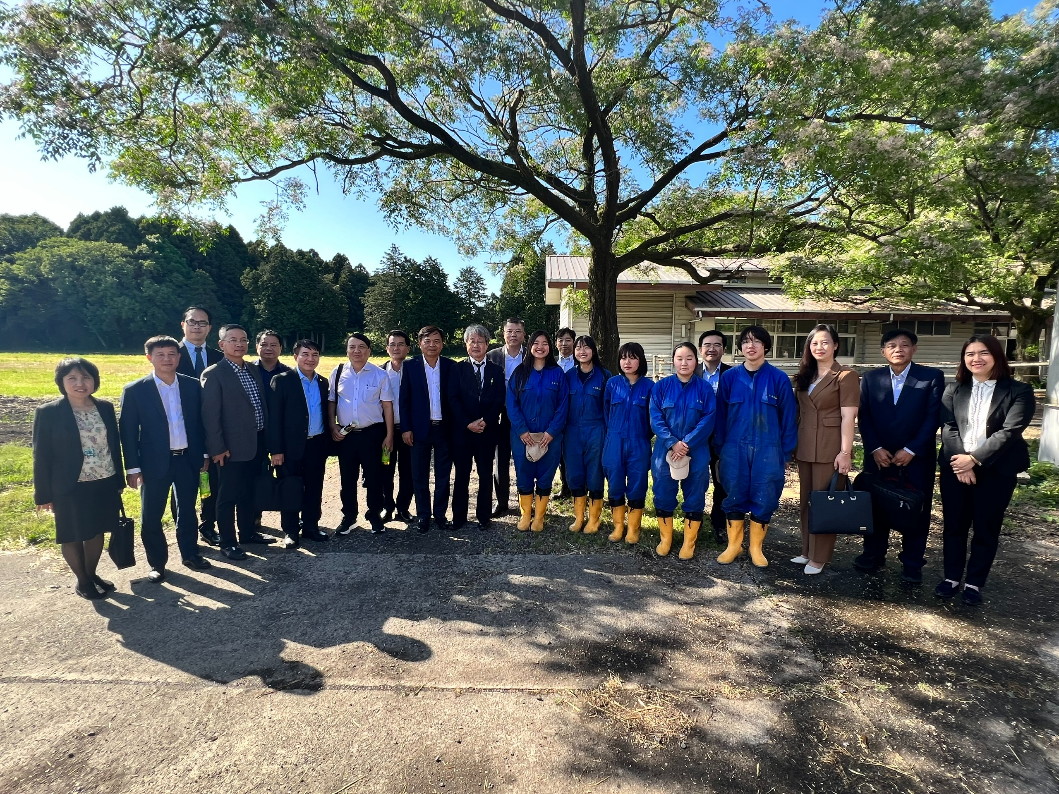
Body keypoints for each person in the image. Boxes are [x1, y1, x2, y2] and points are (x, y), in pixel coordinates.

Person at [936, 335, 1035, 605]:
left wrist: (975, 459)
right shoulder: (954, 389)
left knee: (986, 528)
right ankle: (951, 578)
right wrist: (961, 463)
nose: (976, 359)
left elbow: (1010, 431)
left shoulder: (1018, 390)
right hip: (955, 468)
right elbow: (949, 427)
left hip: (996, 470)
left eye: (983, 353)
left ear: (996, 356)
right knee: (954, 526)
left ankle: (974, 583)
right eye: (970, 354)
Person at [119, 336, 211, 582]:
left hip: (187, 459)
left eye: (172, 354)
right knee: (151, 515)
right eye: (160, 355)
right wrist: (132, 467)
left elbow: (200, 424)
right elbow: (128, 432)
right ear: (149, 357)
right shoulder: (135, 390)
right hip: (152, 463)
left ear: (179, 357)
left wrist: (203, 454)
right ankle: (157, 563)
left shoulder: (193, 386)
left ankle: (190, 554)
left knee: (187, 511)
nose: (167, 359)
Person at [856, 328, 944, 583]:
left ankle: (912, 562)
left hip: (916, 458)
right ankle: (873, 553)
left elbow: (933, 417)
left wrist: (912, 449)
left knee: (916, 508)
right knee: (876, 504)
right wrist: (874, 448)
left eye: (904, 345)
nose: (898, 350)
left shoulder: (930, 377)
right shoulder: (871, 378)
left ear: (914, 349)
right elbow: (865, 416)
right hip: (879, 456)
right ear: (883, 351)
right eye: (892, 346)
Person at [33, 358, 125, 599]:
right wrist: (43, 494)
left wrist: (119, 480)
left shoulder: (104, 407)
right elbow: (41, 455)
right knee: (72, 533)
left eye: (86, 377)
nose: (80, 383)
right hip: (69, 485)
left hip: (104, 479)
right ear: (61, 382)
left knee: (97, 531)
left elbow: (114, 446)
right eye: (72, 378)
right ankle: (82, 581)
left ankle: (91, 574)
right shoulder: (49, 412)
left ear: (94, 381)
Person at [715, 326, 798, 568]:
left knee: (765, 495)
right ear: (740, 347)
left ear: (766, 346)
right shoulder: (729, 378)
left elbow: (789, 418)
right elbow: (720, 416)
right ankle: (734, 545)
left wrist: (785, 452)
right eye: (746, 342)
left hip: (769, 449)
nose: (750, 346)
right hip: (734, 447)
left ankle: (756, 548)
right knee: (734, 494)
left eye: (756, 341)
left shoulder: (779, 379)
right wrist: (721, 448)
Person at [201, 323, 275, 560]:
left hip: (257, 442)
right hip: (229, 449)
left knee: (248, 492)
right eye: (233, 340)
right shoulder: (214, 373)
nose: (239, 344)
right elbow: (210, 416)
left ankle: (248, 533)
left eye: (243, 340)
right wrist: (217, 448)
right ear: (221, 344)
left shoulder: (252, 369)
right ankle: (228, 542)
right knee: (227, 496)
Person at [792, 324, 860, 575]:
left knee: (825, 502)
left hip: (830, 448)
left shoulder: (845, 376)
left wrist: (845, 452)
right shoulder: (805, 375)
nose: (819, 347)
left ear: (835, 345)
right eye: (814, 343)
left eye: (825, 342)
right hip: (805, 446)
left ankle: (819, 557)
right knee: (806, 502)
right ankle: (807, 550)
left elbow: (848, 417)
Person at [649, 342, 716, 558]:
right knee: (663, 492)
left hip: (696, 450)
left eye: (689, 358)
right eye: (679, 358)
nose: (684, 363)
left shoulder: (704, 389)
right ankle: (666, 539)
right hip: (665, 450)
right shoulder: (661, 387)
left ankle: (689, 543)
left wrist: (686, 443)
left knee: (695, 494)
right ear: (673, 361)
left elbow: (708, 419)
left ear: (696, 361)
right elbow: (656, 418)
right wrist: (672, 442)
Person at [267, 339, 332, 549]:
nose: (310, 359)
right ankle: (291, 530)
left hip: (317, 444)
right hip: (289, 448)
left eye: (314, 355)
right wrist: (276, 450)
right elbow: (274, 418)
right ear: (295, 357)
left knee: (314, 487)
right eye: (305, 354)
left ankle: (311, 526)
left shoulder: (322, 382)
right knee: (290, 488)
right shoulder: (282, 380)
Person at [329, 333, 395, 535]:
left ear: (369, 351)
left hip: (372, 434)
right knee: (347, 479)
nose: (356, 351)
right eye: (352, 347)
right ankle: (349, 516)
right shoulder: (338, 372)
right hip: (346, 435)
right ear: (347, 350)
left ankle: (374, 515)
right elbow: (332, 401)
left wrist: (389, 435)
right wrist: (332, 426)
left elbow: (387, 406)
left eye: (361, 347)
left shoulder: (379, 374)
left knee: (374, 478)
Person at [508, 330, 569, 532]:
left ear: (550, 348)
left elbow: (563, 405)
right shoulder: (519, 373)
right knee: (524, 474)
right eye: (536, 343)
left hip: (549, 437)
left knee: (545, 475)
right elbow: (511, 404)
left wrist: (551, 432)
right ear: (530, 346)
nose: (540, 347)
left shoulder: (558, 374)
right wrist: (522, 430)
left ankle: (539, 517)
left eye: (544, 343)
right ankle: (526, 515)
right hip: (522, 437)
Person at [448, 324, 506, 530]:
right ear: (466, 344)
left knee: (485, 475)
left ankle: (484, 516)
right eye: (472, 341)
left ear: (487, 345)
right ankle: (459, 517)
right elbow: (453, 399)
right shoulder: (457, 369)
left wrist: (485, 421)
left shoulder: (497, 370)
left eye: (480, 341)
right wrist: (468, 423)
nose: (476, 345)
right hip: (463, 433)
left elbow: (499, 399)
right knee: (461, 476)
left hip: (486, 432)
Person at [400, 325, 455, 533]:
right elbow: (404, 400)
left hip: (444, 429)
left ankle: (440, 514)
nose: (432, 345)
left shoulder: (450, 366)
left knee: (443, 475)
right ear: (420, 343)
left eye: (437, 341)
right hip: (418, 430)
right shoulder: (410, 365)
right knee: (419, 475)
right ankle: (423, 515)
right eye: (428, 341)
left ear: (442, 344)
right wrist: (406, 428)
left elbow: (454, 399)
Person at [176, 305, 223, 547]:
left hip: (211, 431)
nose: (197, 326)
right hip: (180, 431)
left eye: (202, 323)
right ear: (183, 325)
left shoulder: (219, 357)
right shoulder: (171, 354)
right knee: (182, 486)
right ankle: (183, 532)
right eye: (192, 322)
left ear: (210, 328)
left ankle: (208, 526)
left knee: (211, 481)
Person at [603, 343, 654, 545]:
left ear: (640, 360)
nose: (627, 362)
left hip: (639, 442)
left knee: (637, 485)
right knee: (615, 484)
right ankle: (618, 526)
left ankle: (633, 528)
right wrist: (613, 433)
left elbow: (653, 418)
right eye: (623, 358)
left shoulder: (650, 387)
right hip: (614, 441)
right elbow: (606, 412)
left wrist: (641, 435)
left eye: (632, 357)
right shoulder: (612, 384)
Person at [565, 335, 611, 534]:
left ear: (593, 350)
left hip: (596, 430)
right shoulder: (568, 376)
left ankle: (593, 519)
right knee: (574, 473)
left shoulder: (604, 376)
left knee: (595, 473)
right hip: (572, 430)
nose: (582, 351)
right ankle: (579, 518)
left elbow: (609, 407)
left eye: (586, 348)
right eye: (578, 348)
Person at [487, 318, 525, 516]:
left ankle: (525, 501)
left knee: (524, 460)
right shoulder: (492, 356)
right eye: (509, 331)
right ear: (503, 334)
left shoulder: (530, 356)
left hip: (524, 415)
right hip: (500, 414)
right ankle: (502, 502)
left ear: (523, 335)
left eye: (517, 331)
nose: (513, 335)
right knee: (500, 460)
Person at [699, 329, 731, 543]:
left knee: (722, 481)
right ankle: (694, 520)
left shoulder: (732, 375)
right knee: (696, 480)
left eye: (717, 345)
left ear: (724, 349)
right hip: (697, 438)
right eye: (707, 345)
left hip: (723, 437)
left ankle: (719, 523)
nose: (712, 349)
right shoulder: (691, 372)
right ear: (700, 349)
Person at [382, 330, 415, 523]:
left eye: (401, 344)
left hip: (409, 430)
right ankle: (387, 507)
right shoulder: (379, 373)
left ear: (407, 348)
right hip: (385, 432)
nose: (396, 348)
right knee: (385, 469)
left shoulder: (415, 371)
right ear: (387, 348)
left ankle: (403, 507)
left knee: (408, 471)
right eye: (392, 344)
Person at [554, 327, 577, 499]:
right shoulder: (551, 363)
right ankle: (565, 487)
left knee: (574, 452)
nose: (564, 344)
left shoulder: (581, 362)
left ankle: (579, 487)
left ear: (574, 343)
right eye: (560, 340)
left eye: (568, 340)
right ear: (556, 343)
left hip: (575, 414)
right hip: (555, 414)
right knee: (560, 453)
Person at [252, 330, 291, 394]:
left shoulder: (288, 373)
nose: (268, 348)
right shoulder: (247, 370)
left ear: (280, 348)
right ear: (257, 347)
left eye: (273, 345)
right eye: (264, 345)